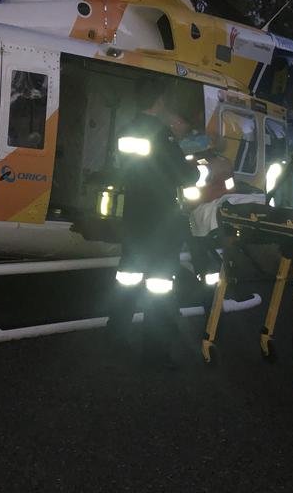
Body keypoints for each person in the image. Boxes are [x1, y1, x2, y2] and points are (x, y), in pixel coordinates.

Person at [107, 77, 198, 368]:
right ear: (159, 101)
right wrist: (196, 166)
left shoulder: (126, 131)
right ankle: (155, 353)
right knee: (159, 285)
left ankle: (115, 339)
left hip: (134, 218)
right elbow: (185, 176)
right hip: (160, 222)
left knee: (128, 279)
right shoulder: (162, 135)